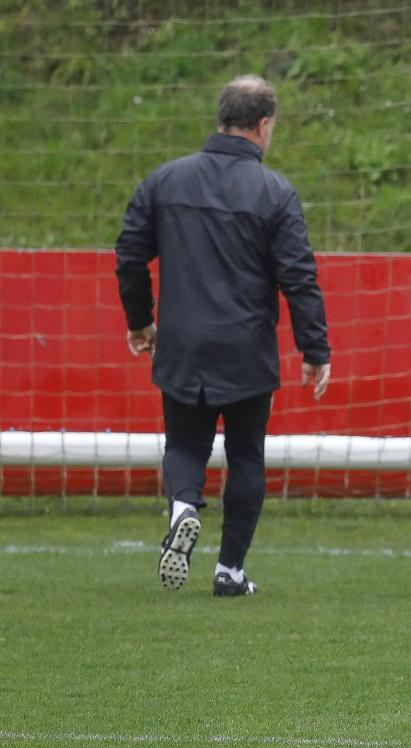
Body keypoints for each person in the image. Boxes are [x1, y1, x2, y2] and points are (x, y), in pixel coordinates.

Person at [115, 75, 331, 597]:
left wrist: (140, 321)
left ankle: (185, 505)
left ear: (220, 118)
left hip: (181, 343)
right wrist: (315, 348)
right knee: (246, 455)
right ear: (263, 125)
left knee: (185, 443)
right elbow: (298, 277)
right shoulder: (276, 192)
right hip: (246, 349)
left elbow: (129, 255)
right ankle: (229, 571)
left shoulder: (164, 181)